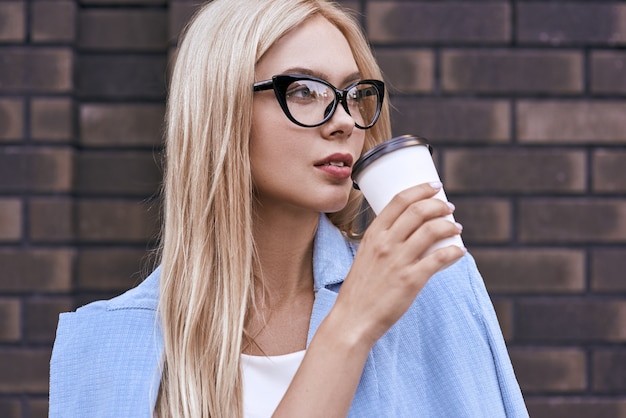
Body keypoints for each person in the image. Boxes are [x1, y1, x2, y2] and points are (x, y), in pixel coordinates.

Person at [49, 0, 529, 417]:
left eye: (353, 94)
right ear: (222, 111)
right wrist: (350, 327)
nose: (343, 121)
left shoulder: (432, 286)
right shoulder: (105, 347)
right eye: (304, 91)